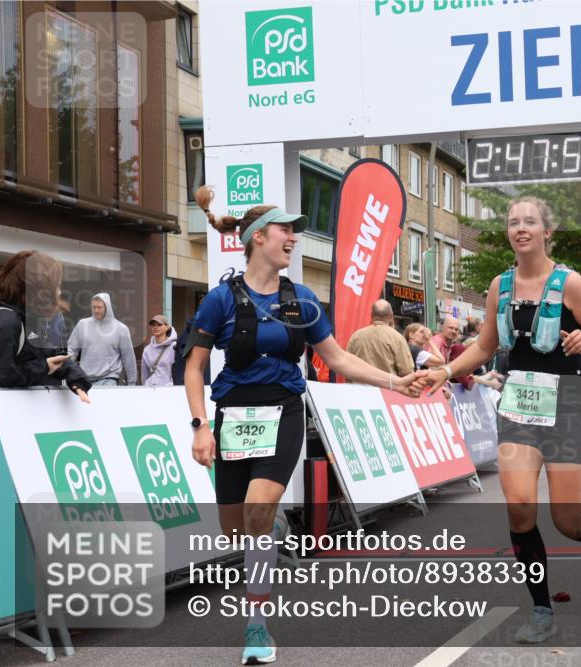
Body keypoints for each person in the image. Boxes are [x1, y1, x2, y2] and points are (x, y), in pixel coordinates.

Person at [183, 186, 425, 665]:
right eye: (284, 229)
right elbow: (194, 367)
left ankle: (256, 625)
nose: (293, 237)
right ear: (256, 239)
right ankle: (266, 525)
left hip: (285, 408)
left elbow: (336, 358)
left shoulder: (304, 300)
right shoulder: (221, 300)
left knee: (258, 508)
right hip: (233, 412)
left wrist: (395, 383)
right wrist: (200, 426)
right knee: (236, 531)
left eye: (294, 229)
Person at [419, 196, 581, 644]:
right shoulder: (500, 286)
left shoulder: (570, 283)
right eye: (514, 222)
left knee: (566, 519)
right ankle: (540, 608)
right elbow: (484, 346)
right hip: (519, 404)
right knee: (518, 506)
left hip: (568, 402)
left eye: (530, 221)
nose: (521, 228)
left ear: (547, 231)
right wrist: (447, 370)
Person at [0, 251, 91, 402]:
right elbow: (1, 375)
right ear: (39, 287)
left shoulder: (31, 318)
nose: (59, 290)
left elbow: (50, 355)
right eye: (56, 284)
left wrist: (76, 379)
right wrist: (44, 367)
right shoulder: (7, 321)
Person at [67, 292, 137, 386]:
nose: (96, 310)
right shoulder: (82, 325)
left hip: (109, 379)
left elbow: (128, 358)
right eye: (94, 307)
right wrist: (68, 371)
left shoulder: (121, 329)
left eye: (99, 307)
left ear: (107, 307)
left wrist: (131, 382)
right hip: (85, 378)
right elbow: (72, 349)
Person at [346, 300, 414, 377]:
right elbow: (407, 371)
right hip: (386, 387)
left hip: (358, 387)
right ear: (391, 316)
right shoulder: (397, 338)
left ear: (371, 315)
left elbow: (347, 364)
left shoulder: (356, 335)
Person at [142, 315, 178, 386]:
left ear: (167, 327)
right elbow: (144, 374)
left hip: (169, 390)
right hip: (151, 389)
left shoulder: (174, 347)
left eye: (159, 325)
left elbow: (177, 371)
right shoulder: (147, 350)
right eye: (153, 325)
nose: (155, 327)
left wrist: (172, 385)